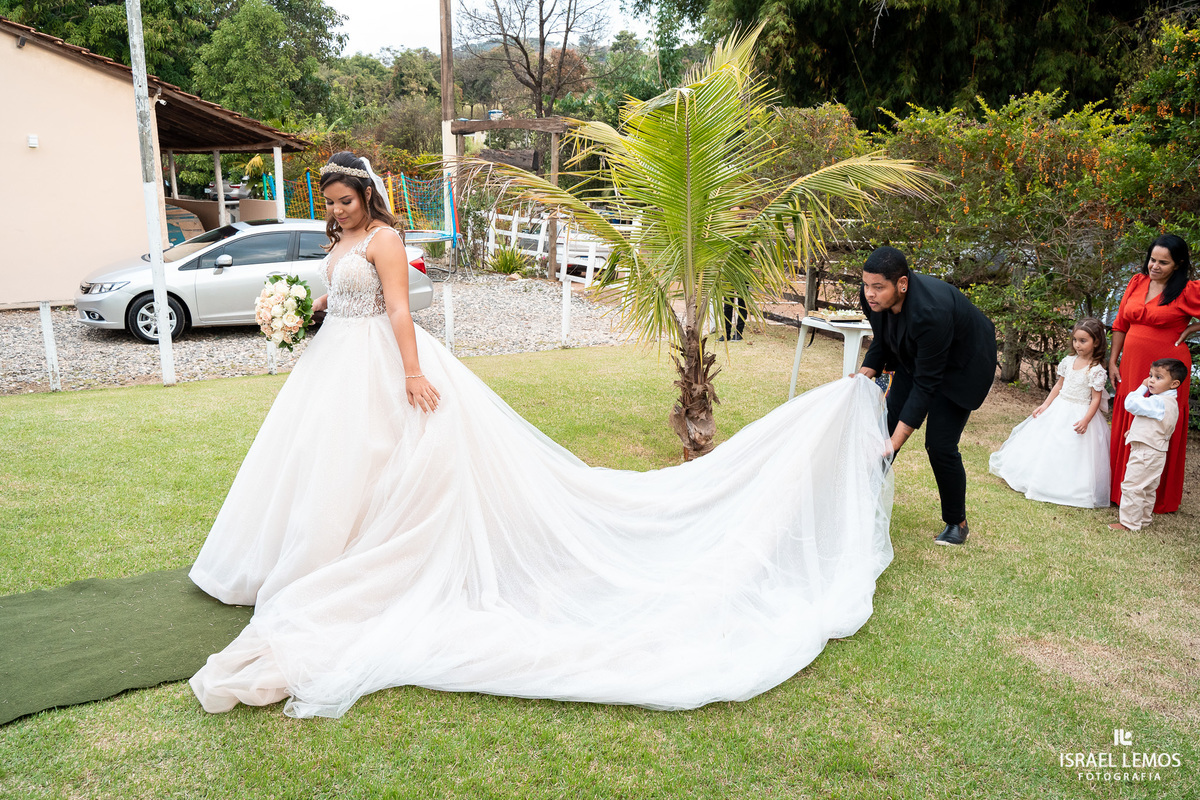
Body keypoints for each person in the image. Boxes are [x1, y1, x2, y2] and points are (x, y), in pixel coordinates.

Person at [186, 152, 898, 719]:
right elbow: (336, 293)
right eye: (331, 201)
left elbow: (399, 313)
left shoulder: (385, 237)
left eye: (346, 200)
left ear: (367, 197)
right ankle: (315, 552)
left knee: (382, 461)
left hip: (380, 362)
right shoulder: (339, 241)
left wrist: (410, 373)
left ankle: (358, 558)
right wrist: (299, 313)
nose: (338, 210)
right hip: (331, 365)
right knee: (323, 466)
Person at [856, 246, 997, 546]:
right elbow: (883, 339)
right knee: (885, 425)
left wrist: (894, 443)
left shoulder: (930, 311)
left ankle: (956, 522)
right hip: (917, 356)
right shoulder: (873, 297)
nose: (869, 293)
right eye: (866, 285)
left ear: (902, 284)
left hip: (963, 365)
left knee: (940, 444)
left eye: (878, 287)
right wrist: (862, 375)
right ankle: (858, 501)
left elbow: (926, 384)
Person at [1108, 234, 1200, 514]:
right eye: (1152, 259)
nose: (1155, 266)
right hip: (1132, 363)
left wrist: (1193, 329)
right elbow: (1121, 323)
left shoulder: (1186, 289)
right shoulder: (1137, 282)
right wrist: (1113, 361)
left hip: (1168, 366)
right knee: (1130, 414)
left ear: (1178, 264)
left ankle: (1157, 496)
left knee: (1158, 422)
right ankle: (1118, 490)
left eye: (1163, 262)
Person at [988, 318, 1110, 508]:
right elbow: (1059, 385)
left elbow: (1095, 399)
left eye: (1083, 341)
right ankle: (1036, 477)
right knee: (1047, 444)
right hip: (1060, 407)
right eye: (1075, 340)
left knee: (1072, 450)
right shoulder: (1069, 361)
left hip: (1079, 412)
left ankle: (1068, 487)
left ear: (1096, 342)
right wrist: (1045, 405)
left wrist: (1086, 420)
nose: (1077, 345)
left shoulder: (1096, 370)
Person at [1109, 359, 1186, 531]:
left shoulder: (1158, 402)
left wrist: (1141, 387)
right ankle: (1143, 519)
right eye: (1150, 376)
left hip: (1146, 452)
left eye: (1158, 377)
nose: (1151, 380)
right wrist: (1135, 431)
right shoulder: (1169, 402)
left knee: (1132, 485)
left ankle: (1129, 523)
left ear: (1174, 383)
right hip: (1157, 452)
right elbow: (1159, 425)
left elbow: (1131, 404)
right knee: (1147, 488)